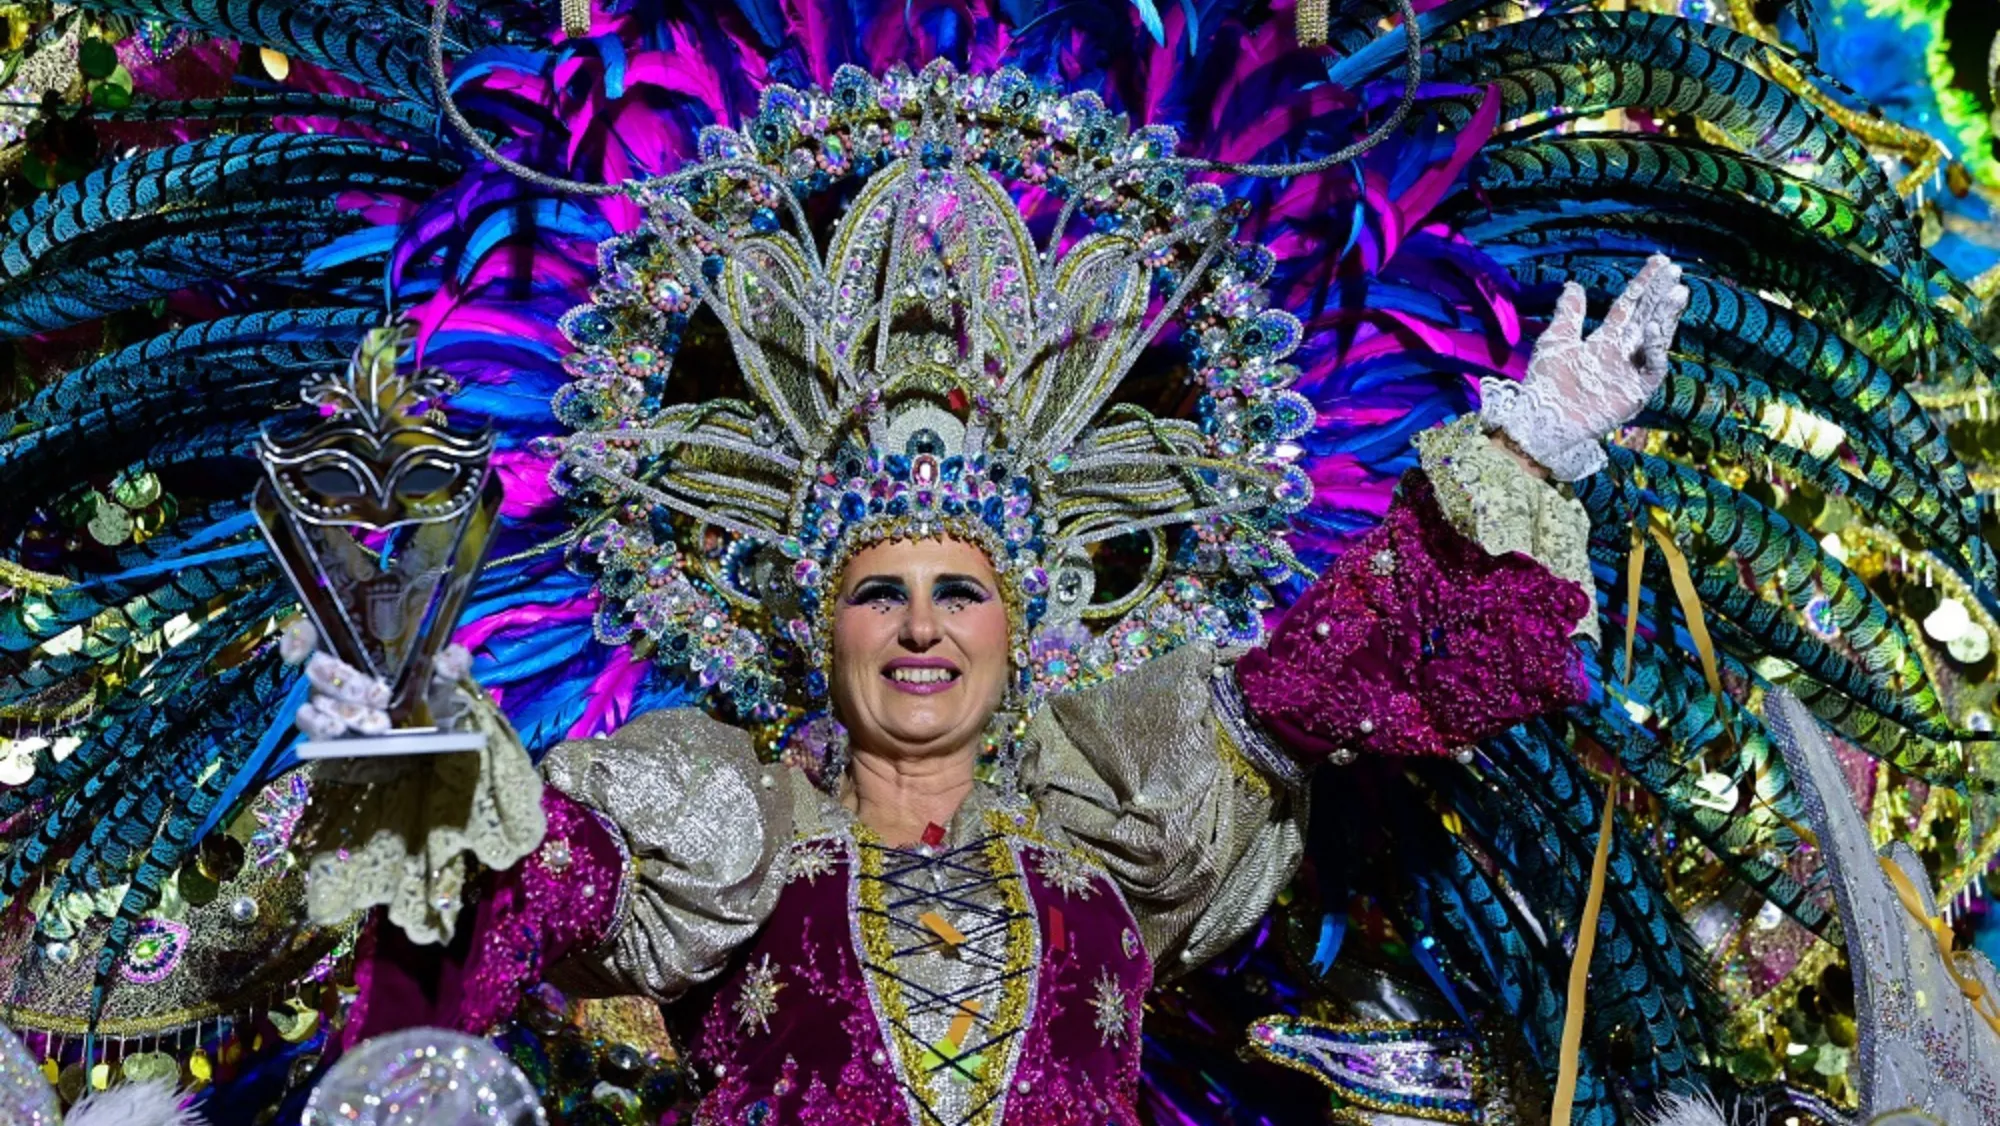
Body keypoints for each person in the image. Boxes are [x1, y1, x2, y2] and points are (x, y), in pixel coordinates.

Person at [288, 67, 1690, 1121]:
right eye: (879, 595)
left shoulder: (1126, 815)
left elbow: (1359, 660)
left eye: (959, 590)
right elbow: (516, 880)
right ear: (816, 627)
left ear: (1024, 624)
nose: (920, 626)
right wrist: (416, 746)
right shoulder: (723, 821)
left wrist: (1527, 450)